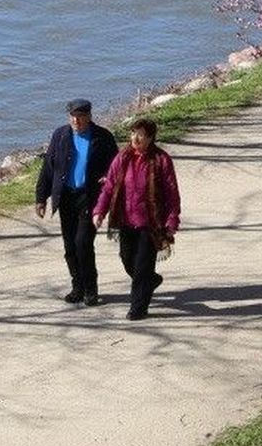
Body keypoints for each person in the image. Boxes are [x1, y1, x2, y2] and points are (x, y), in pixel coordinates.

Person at [93, 117, 180, 321]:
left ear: (150, 138)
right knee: (127, 259)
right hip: (125, 221)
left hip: (150, 224)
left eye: (140, 135)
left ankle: (138, 308)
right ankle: (151, 280)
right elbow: (109, 188)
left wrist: (172, 221)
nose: (135, 138)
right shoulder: (122, 158)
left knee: (142, 267)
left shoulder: (161, 160)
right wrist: (99, 211)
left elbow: (172, 194)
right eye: (133, 133)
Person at [35, 98, 118, 306]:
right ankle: (77, 287)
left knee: (83, 243)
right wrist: (41, 198)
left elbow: (117, 166)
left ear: (89, 116)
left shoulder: (103, 137)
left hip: (90, 198)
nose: (76, 121)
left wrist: (108, 178)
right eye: (73, 116)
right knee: (70, 246)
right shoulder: (60, 135)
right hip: (66, 198)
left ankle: (91, 289)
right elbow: (48, 168)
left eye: (80, 117)